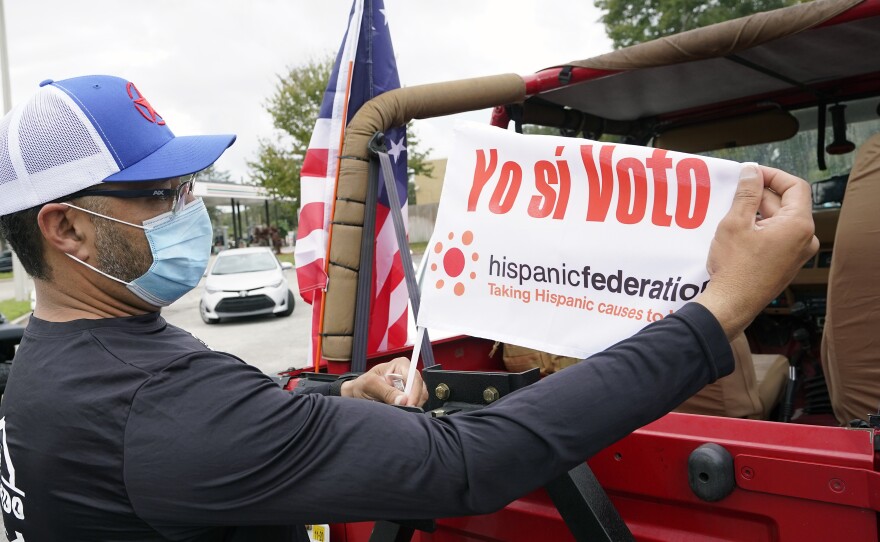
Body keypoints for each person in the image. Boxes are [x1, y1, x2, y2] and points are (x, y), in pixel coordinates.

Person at [0, 75, 818, 541]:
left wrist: (330, 397)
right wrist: (719, 310)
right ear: (66, 228)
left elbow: (207, 427)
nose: (191, 207)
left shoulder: (57, 356)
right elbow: (469, 465)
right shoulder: (157, 410)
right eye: (162, 195)